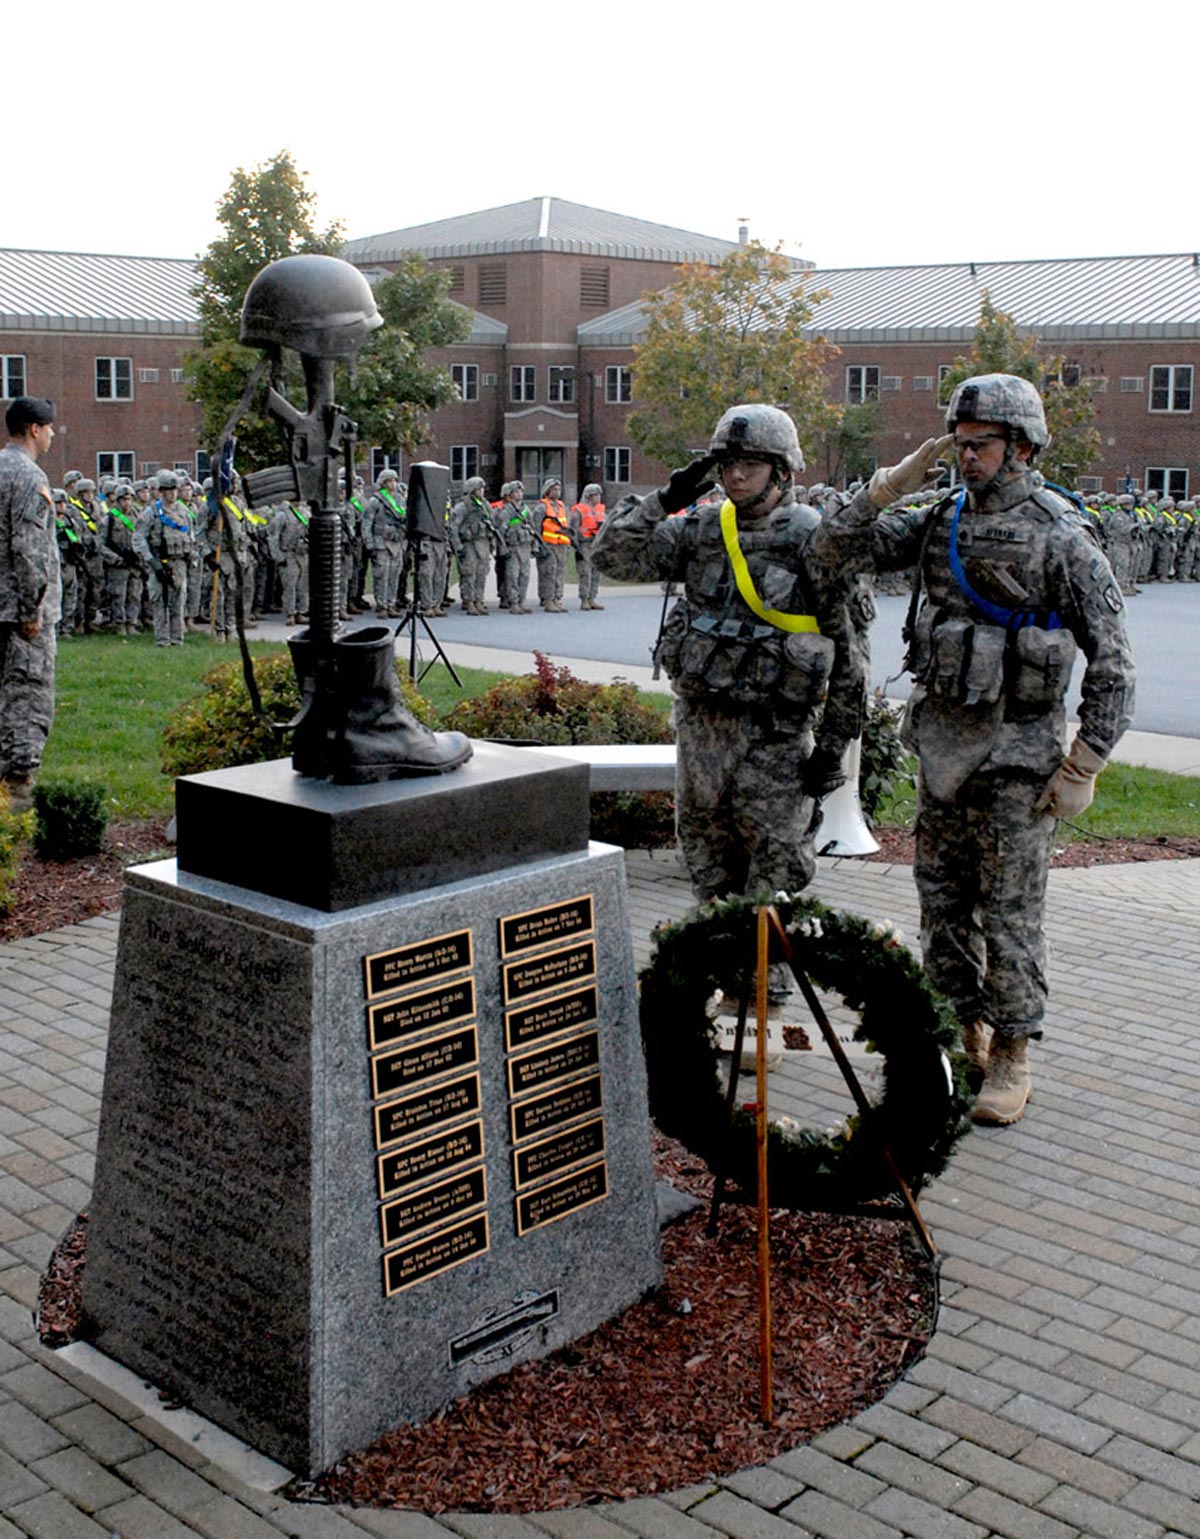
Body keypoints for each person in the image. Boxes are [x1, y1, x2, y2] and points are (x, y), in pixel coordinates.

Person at [816, 374, 1136, 1125]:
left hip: (1021, 761)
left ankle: (1014, 1051)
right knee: (943, 907)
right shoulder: (939, 521)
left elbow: (1115, 662)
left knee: (1012, 914)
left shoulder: (1063, 536)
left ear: (1023, 446)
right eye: (958, 444)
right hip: (944, 751)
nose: (965, 457)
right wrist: (887, 485)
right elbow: (832, 553)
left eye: (979, 445)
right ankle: (960, 1037)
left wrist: (1085, 761)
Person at [593, 403, 860, 915]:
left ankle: (766, 994)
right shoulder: (701, 529)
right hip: (702, 733)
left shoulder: (812, 538)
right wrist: (665, 499)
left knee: (771, 875)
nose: (736, 476)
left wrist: (831, 748)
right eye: (727, 465)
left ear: (782, 470)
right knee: (707, 868)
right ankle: (721, 983)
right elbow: (611, 557)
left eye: (751, 465)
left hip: (774, 738)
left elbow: (848, 654)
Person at [0, 397, 61, 809]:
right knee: (27, 695)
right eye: (50, 427)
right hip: (19, 612)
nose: (54, 434)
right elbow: (29, 548)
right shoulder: (28, 475)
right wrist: (32, 609)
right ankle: (18, 790)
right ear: (34, 429)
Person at [536, 477, 571, 612]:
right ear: (547, 491)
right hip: (548, 544)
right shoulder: (541, 507)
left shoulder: (562, 506)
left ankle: (557, 598)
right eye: (554, 489)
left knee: (559, 572)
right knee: (548, 572)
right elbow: (536, 527)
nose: (557, 492)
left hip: (561, 544)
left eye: (558, 489)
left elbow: (565, 525)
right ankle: (548, 599)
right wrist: (538, 545)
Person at [570, 483, 607, 609]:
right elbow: (572, 530)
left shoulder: (600, 511)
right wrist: (576, 547)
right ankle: (584, 599)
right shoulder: (579, 510)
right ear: (589, 496)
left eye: (598, 495)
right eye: (595, 495)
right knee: (585, 573)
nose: (598, 497)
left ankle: (592, 597)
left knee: (596, 572)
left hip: (596, 544)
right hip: (584, 545)